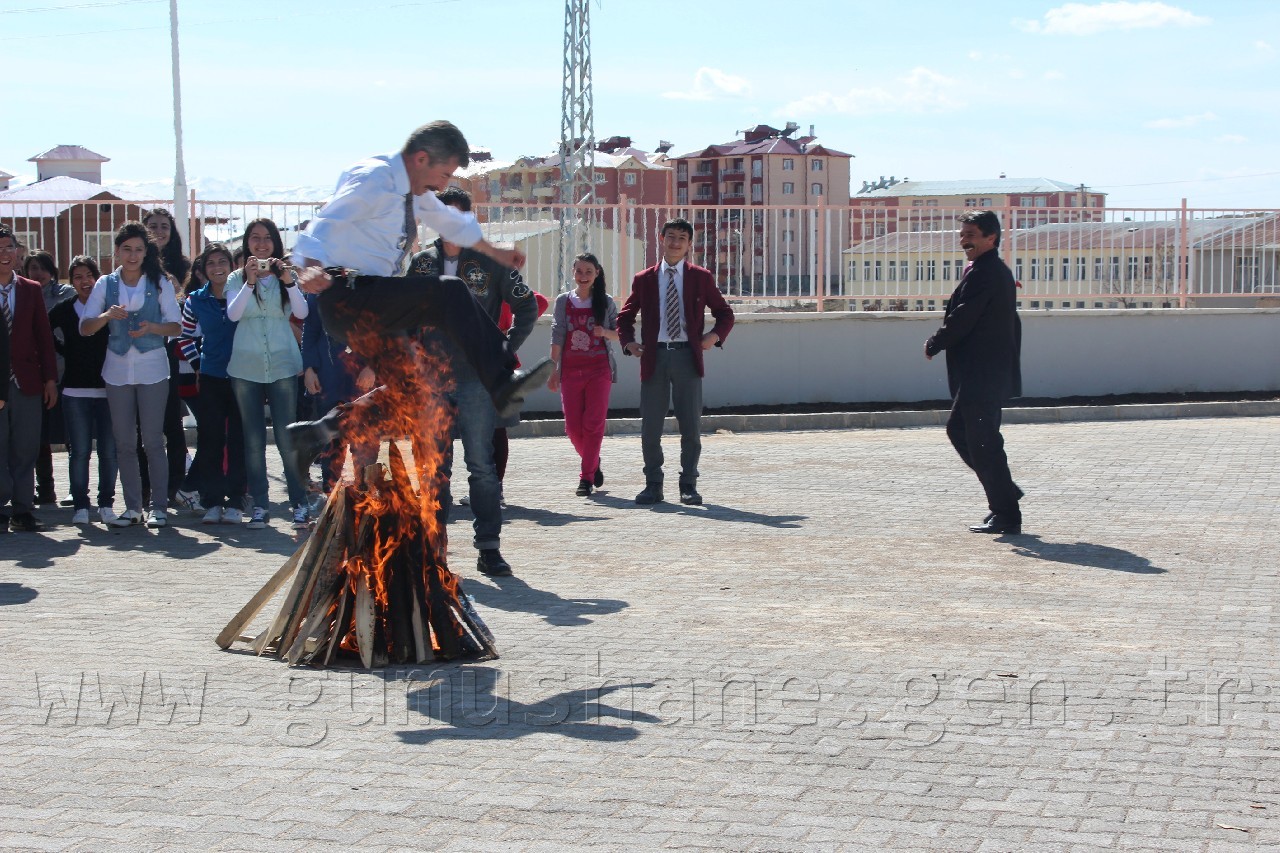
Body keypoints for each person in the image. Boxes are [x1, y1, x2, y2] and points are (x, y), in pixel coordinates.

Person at [286, 121, 553, 500]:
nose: (443, 186)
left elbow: (452, 222)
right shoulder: (375, 177)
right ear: (421, 158)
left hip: (374, 305)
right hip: (348, 294)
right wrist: (306, 266)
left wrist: (497, 254)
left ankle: (317, 433)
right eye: (443, 174)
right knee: (450, 292)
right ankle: (501, 381)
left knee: (414, 394)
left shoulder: (413, 192)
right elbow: (328, 219)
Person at [407, 186, 540, 577]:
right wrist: (411, 352)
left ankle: (489, 548)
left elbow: (527, 305)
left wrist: (502, 347)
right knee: (435, 467)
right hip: (431, 381)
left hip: (476, 380)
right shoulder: (420, 264)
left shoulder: (492, 260)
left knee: (481, 465)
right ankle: (433, 548)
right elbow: (402, 314)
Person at [617, 218, 735, 506]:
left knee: (691, 426)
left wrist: (714, 337)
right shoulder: (645, 278)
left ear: (689, 244)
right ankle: (653, 485)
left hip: (687, 356)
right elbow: (625, 317)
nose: (675, 243)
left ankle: (688, 485)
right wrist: (628, 342)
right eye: (671, 236)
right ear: (661, 238)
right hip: (654, 357)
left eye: (682, 238)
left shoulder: (700, 277)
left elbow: (725, 313)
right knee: (651, 427)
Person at [924, 210, 1024, 535]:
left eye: (971, 234)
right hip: (983, 372)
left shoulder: (988, 272)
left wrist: (936, 341)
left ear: (990, 238)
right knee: (963, 433)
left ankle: (1006, 512)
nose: (963, 239)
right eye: (962, 233)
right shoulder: (987, 270)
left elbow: (965, 316)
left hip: (985, 373)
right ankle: (1004, 495)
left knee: (982, 442)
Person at [79, 223, 181, 528]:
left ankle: (159, 507)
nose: (133, 255)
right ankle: (133, 507)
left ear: (146, 252)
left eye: (138, 249)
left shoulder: (159, 281)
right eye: (127, 249)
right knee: (123, 441)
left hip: (152, 368)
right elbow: (85, 327)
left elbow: (176, 326)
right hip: (117, 369)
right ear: (117, 252)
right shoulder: (104, 284)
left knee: (152, 439)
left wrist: (152, 327)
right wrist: (106, 316)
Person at [225, 219, 310, 530]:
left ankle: (299, 503)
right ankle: (260, 505)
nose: (261, 244)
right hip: (245, 366)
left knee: (287, 437)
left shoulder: (286, 277)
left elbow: (302, 313)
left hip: (283, 364)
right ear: (247, 243)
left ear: (275, 243)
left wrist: (287, 281)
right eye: (255, 238)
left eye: (267, 239)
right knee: (252, 439)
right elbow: (233, 314)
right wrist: (249, 282)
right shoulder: (236, 278)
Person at [179, 242, 248, 525]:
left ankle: (236, 501)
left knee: (238, 441)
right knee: (210, 441)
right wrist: (197, 365)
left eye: (223, 261)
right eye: (211, 263)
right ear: (203, 270)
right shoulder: (195, 300)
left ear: (232, 267)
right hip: (210, 377)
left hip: (243, 376)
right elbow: (185, 338)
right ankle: (211, 501)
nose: (217, 267)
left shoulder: (243, 295)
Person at [48, 256, 118, 525]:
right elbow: (45, 328)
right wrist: (66, 351)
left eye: (89, 275)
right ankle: (80, 505)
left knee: (109, 451)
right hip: (75, 391)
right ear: (71, 281)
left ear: (97, 278)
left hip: (108, 389)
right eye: (77, 277)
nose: (84, 281)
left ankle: (106, 504)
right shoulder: (65, 309)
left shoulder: (108, 308)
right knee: (79, 451)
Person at [0, 227, 59, 532]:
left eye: (9, 247)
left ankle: (23, 509)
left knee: (25, 447)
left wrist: (50, 379)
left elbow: (43, 338)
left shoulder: (30, 289)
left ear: (18, 252)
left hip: (27, 381)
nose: (5, 254)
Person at [547, 252, 619, 497]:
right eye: (579, 271)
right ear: (573, 273)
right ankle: (594, 461)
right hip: (570, 371)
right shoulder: (563, 301)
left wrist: (604, 333)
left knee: (593, 424)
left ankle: (586, 478)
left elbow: (620, 333)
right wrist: (553, 369)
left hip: (599, 369)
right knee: (572, 427)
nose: (583, 276)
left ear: (597, 273)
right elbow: (557, 335)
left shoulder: (606, 301)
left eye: (589, 272)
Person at [142, 208, 195, 509]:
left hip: (173, 352)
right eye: (152, 227)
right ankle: (146, 488)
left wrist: (177, 293)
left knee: (172, 422)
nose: (158, 231)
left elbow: (190, 308)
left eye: (164, 226)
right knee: (144, 426)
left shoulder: (183, 267)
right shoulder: (136, 265)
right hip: (141, 349)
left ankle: (177, 484)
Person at [301, 289, 377, 495]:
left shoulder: (369, 281)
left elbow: (382, 329)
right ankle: (330, 499)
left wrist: (373, 366)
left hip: (362, 377)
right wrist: (308, 368)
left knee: (365, 444)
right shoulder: (319, 287)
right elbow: (311, 329)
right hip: (329, 375)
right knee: (330, 444)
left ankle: (366, 498)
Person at [22, 251, 74, 506]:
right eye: (33, 267)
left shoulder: (66, 294)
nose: (38, 272)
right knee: (38, 435)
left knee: (71, 433)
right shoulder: (22, 293)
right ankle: (45, 489)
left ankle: (76, 487)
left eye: (43, 267)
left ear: (52, 269)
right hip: (36, 374)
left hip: (65, 372)